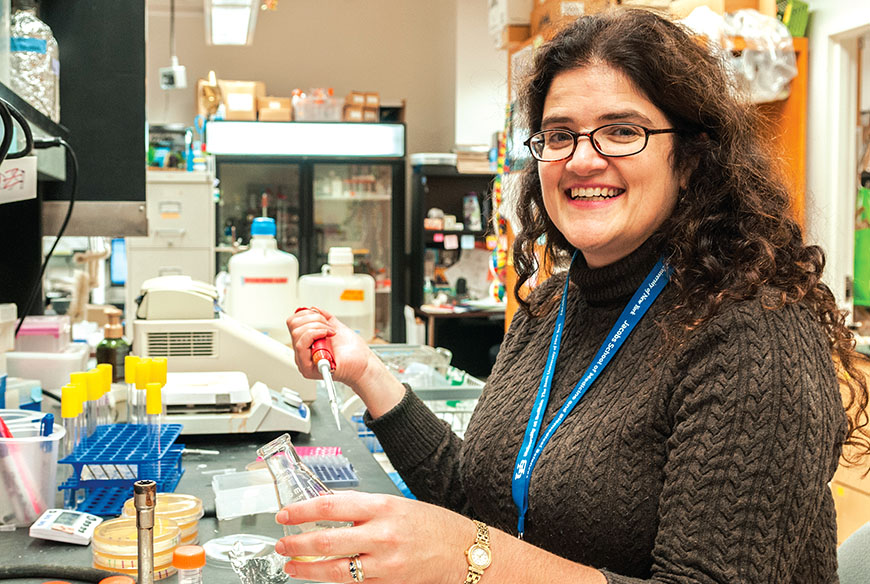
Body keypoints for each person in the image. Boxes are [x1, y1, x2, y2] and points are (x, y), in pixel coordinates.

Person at [283, 8, 870, 584]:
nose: (583, 160)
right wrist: (367, 372)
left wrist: (467, 554)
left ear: (689, 159)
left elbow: (479, 546)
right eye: (560, 135)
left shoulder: (754, 334)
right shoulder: (551, 309)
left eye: (622, 131)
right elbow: (482, 499)